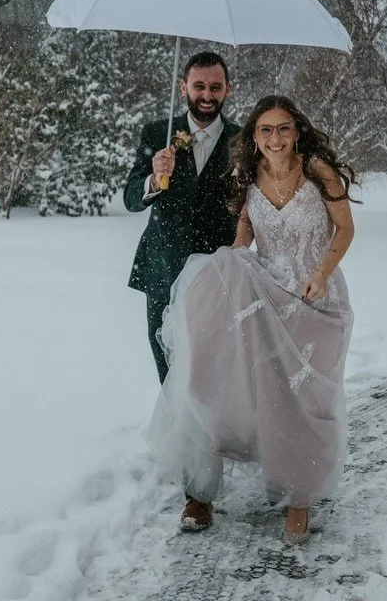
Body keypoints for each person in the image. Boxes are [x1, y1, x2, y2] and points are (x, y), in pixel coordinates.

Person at [146, 94, 357, 546]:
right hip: (269, 294)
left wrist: (320, 274)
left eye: (283, 129)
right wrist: (225, 272)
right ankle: (214, 473)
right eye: (265, 130)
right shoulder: (248, 176)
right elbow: (245, 236)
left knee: (307, 399)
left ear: (296, 130)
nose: (275, 138)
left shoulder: (317, 170)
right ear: (254, 137)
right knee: (272, 394)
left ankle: (300, 497)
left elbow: (346, 229)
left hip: (316, 297)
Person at [123, 51, 240, 383]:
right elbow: (131, 198)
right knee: (168, 358)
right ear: (182, 87)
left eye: (215, 87)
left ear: (228, 89)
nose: (206, 95)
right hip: (162, 265)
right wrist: (153, 178)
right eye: (198, 85)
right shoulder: (158, 133)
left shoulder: (242, 140)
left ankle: (212, 431)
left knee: (213, 359)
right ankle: (176, 431)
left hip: (217, 269)